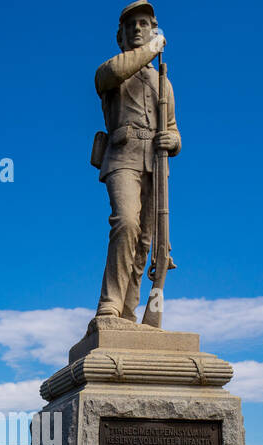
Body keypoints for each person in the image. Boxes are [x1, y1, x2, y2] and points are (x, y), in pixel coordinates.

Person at [92, 1, 180, 329]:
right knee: (126, 223)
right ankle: (110, 305)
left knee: (146, 242)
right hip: (123, 156)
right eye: (132, 26)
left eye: (145, 24)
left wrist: (173, 141)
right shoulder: (111, 71)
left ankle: (129, 310)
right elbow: (114, 73)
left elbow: (172, 129)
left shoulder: (163, 84)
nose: (138, 29)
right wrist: (154, 47)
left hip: (155, 166)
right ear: (122, 36)